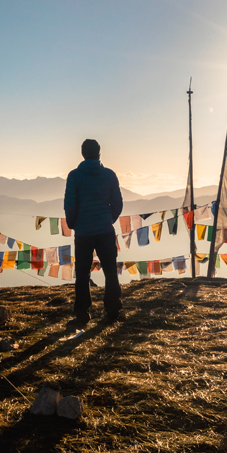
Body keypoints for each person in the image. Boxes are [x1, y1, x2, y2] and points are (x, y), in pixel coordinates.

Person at [63, 138, 124, 327]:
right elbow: (118, 203)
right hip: (105, 230)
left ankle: (82, 314)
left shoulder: (74, 176)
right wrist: (107, 219)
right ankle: (112, 311)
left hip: (83, 233)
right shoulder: (109, 175)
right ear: (99, 153)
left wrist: (75, 224)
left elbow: (69, 205)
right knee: (110, 272)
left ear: (82, 154)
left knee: (82, 273)